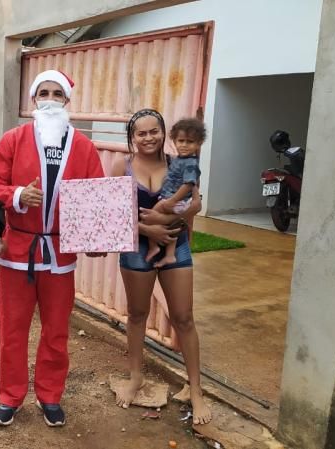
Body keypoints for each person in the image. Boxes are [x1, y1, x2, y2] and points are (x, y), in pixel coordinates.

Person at [0, 69, 105, 428]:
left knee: (56, 330)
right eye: (43, 93)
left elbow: (96, 197)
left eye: (57, 94)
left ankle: (50, 395)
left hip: (60, 254)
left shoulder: (83, 146)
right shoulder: (13, 139)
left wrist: (96, 238)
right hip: (18, 251)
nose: (50, 99)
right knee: (12, 329)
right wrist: (18, 195)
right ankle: (10, 396)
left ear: (67, 101)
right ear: (33, 100)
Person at [111, 108, 211, 424]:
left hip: (176, 246)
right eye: (141, 132)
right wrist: (148, 230)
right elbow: (112, 212)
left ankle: (195, 389)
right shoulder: (121, 165)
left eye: (154, 131)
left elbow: (195, 204)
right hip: (136, 250)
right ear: (132, 137)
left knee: (184, 317)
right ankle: (136, 377)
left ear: (163, 132)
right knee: (138, 314)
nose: (149, 137)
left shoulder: (178, 162)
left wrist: (168, 223)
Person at [144, 118, 204, 267]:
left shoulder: (190, 162)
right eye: (180, 140)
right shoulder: (179, 159)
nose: (184, 145)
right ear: (174, 140)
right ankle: (169, 254)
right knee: (171, 224)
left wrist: (172, 200)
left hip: (177, 201)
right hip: (173, 199)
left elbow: (189, 184)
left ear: (198, 143)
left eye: (189, 142)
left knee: (150, 217)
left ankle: (154, 247)